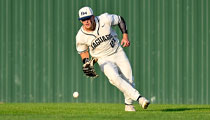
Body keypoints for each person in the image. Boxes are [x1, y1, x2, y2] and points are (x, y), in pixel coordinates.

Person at [76, 6, 150, 111]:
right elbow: (83, 51)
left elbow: (120, 20)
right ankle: (140, 98)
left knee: (129, 79)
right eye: (83, 20)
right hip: (102, 59)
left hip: (117, 52)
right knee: (114, 78)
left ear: (93, 17)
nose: (86, 21)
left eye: (88, 18)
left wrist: (125, 35)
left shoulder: (104, 19)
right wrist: (86, 62)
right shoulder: (80, 36)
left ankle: (128, 105)